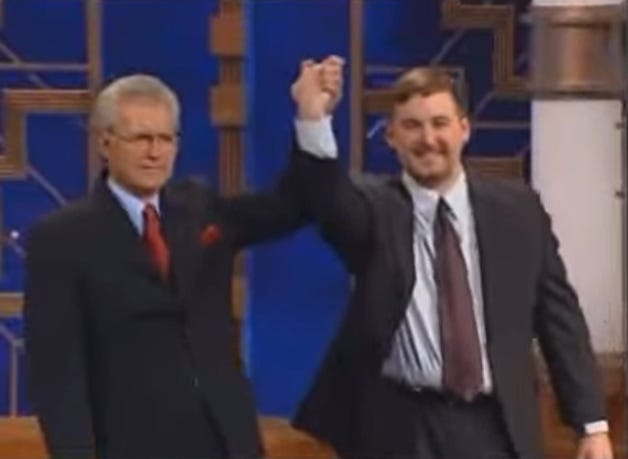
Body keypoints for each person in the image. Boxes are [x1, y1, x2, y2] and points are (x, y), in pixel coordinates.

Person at [288, 57, 614, 459]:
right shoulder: (374, 209)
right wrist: (313, 117)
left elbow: (559, 319)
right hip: (399, 428)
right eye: (412, 126)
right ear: (391, 137)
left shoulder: (517, 211)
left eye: (439, 123)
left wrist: (592, 426)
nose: (428, 139)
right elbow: (328, 200)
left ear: (464, 129)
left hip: (494, 426)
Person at [23, 74, 306, 459]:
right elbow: (57, 376)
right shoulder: (61, 238)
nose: (154, 153)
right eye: (141, 138)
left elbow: (289, 207)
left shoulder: (201, 208)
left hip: (226, 444)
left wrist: (312, 119)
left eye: (165, 139)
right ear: (104, 142)